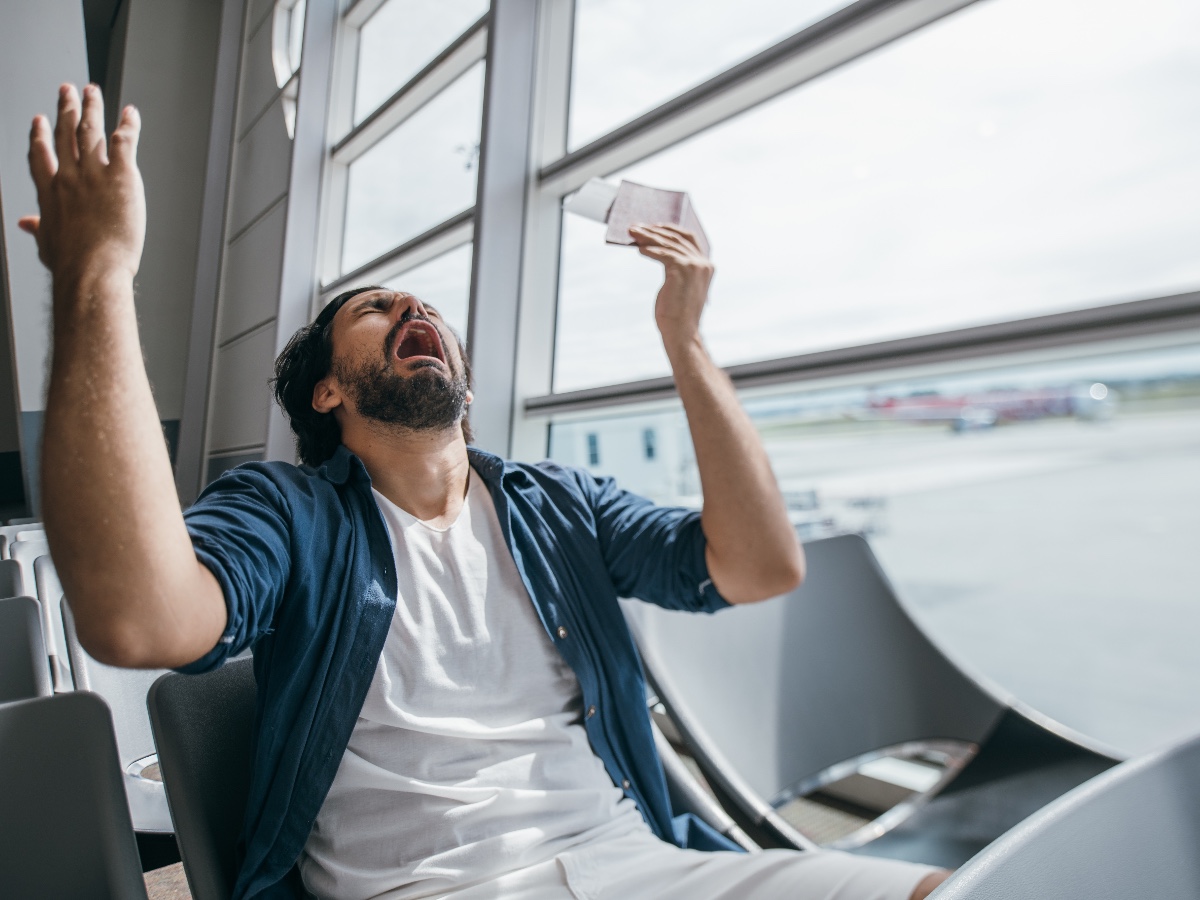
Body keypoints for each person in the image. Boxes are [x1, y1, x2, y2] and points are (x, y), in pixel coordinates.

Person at [21, 84, 951, 900]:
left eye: (424, 306)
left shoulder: (557, 504)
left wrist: (685, 338)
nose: (416, 309)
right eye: (376, 308)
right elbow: (138, 622)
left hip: (636, 861)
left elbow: (757, 568)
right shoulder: (292, 514)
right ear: (327, 392)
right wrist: (96, 277)